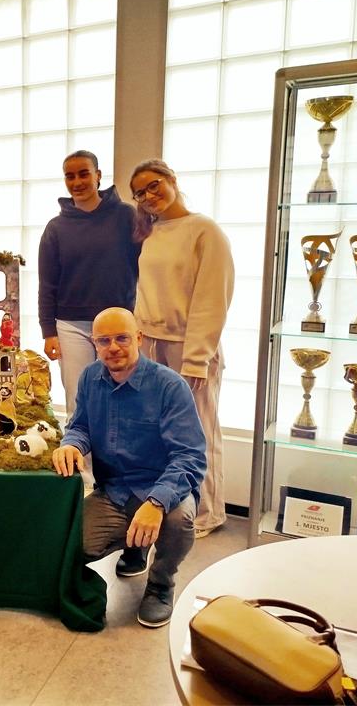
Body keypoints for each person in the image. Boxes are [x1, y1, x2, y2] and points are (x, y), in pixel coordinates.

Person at [52, 307, 206, 628]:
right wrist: (72, 444)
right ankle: (136, 547)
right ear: (94, 344)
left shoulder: (169, 386)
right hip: (114, 492)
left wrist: (156, 503)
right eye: (104, 340)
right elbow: (80, 425)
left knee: (179, 522)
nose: (113, 348)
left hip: (164, 489)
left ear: (139, 338)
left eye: (122, 338)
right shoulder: (90, 378)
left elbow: (190, 456)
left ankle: (161, 585)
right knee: (72, 547)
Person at [130, 159, 234, 539]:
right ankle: (172, 505)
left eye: (153, 185)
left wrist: (196, 359)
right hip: (150, 345)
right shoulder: (151, 233)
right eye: (139, 193)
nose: (148, 196)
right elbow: (145, 292)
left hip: (190, 347)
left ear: (172, 179)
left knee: (199, 431)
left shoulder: (204, 230)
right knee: (161, 432)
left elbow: (212, 299)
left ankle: (207, 514)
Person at [38, 150, 141, 418]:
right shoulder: (56, 228)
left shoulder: (126, 216)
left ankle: (116, 448)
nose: (77, 182)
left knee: (121, 397)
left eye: (84, 174)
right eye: (70, 176)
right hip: (71, 326)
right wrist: (48, 331)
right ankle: (80, 448)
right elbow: (47, 285)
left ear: (98, 176)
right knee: (79, 400)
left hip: (118, 324)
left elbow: (145, 267)